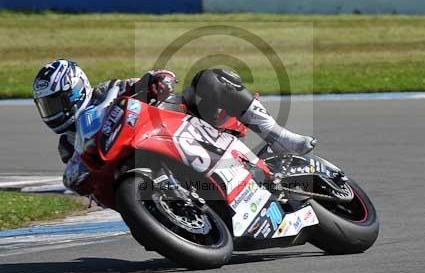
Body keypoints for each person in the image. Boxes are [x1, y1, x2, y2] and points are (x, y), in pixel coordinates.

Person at [32, 59, 315, 195]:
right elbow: (86, 182)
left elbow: (151, 80)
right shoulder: (68, 146)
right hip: (145, 163)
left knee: (210, 77)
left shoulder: (109, 90)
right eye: (46, 106)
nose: (53, 112)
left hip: (187, 124)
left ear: (77, 91)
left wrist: (158, 81)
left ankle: (278, 137)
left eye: (56, 102)